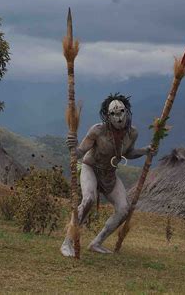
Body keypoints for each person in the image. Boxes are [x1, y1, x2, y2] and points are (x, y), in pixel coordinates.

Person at [61, 93, 156, 256]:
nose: (119, 118)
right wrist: (72, 144)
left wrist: (145, 151)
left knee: (123, 209)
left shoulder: (132, 133)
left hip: (109, 174)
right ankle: (67, 243)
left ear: (127, 112)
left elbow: (128, 153)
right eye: (114, 114)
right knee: (88, 199)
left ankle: (96, 243)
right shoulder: (97, 130)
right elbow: (79, 152)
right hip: (90, 167)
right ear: (107, 116)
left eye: (121, 112)